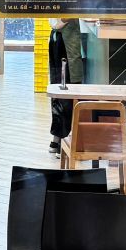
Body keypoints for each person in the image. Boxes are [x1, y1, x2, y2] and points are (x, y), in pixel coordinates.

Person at [47, 16, 83, 154]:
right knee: (63, 92)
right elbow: (62, 19)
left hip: (61, 41)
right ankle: (60, 140)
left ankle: (58, 139)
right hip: (62, 43)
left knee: (62, 91)